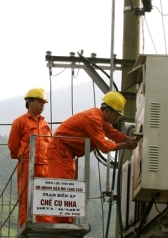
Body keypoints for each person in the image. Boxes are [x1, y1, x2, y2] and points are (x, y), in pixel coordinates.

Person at [47, 91, 138, 223]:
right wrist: (125, 145)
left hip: (66, 153)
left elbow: (112, 133)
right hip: (59, 151)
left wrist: (128, 138)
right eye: (116, 114)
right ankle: (59, 223)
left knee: (66, 186)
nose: (117, 118)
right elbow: (104, 146)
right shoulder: (94, 119)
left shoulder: (100, 118)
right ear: (107, 110)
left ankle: (64, 221)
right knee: (62, 186)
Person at [8, 88, 53, 228]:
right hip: (27, 164)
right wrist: (23, 158)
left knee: (44, 198)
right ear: (29, 102)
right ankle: (24, 229)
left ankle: (44, 228)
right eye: (39, 102)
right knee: (26, 199)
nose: (42, 105)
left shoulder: (45, 124)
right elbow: (13, 146)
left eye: (43, 103)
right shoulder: (20, 122)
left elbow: (50, 144)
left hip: (44, 166)